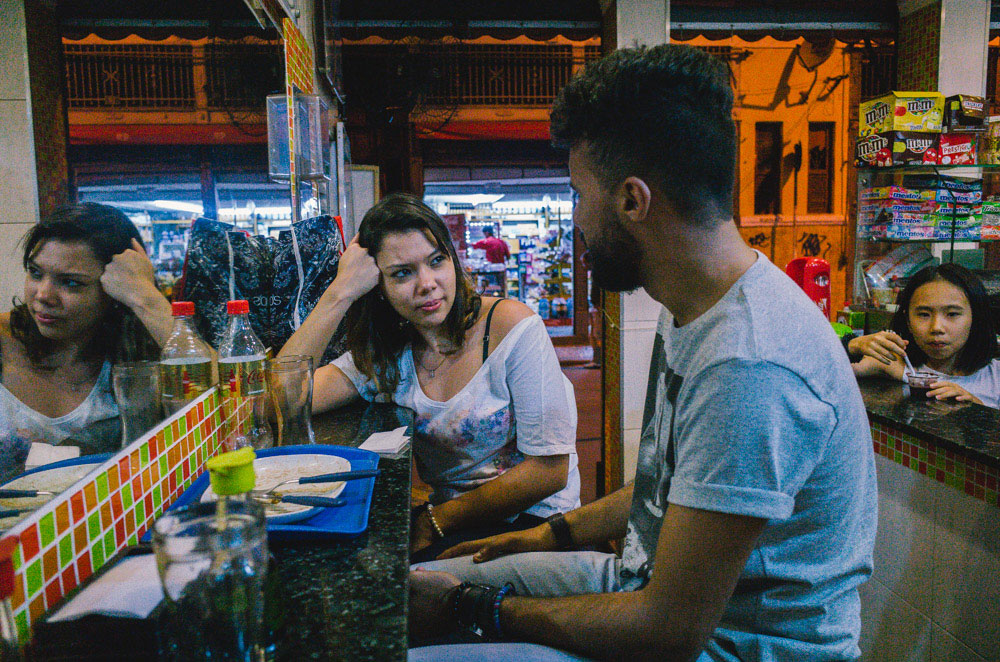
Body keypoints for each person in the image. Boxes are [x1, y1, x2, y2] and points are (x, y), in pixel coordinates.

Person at [407, 44, 877, 662]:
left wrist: (474, 609)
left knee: (425, 643)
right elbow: (671, 489)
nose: (575, 219)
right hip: (640, 584)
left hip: (733, 646)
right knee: (411, 592)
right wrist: (548, 536)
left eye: (580, 194)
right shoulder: (690, 304)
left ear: (633, 200)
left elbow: (666, 634)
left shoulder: (750, 365)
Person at [278, 193, 580, 562]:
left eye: (436, 261)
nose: (427, 283)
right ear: (379, 288)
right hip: (454, 522)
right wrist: (339, 293)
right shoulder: (388, 353)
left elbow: (549, 472)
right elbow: (282, 397)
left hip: (538, 526)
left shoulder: (509, 326)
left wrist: (433, 521)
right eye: (402, 273)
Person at [1, 203, 174, 480]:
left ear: (115, 290)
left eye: (70, 283)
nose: (43, 295)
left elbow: (232, 403)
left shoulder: (132, 358)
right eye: (35, 272)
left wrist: (146, 297)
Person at [850, 263, 999, 408]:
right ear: (907, 319)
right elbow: (830, 373)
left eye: (952, 314)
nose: (936, 328)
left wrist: (977, 407)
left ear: (976, 318)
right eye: (924, 314)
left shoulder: (995, 377)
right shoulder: (894, 364)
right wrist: (853, 346)